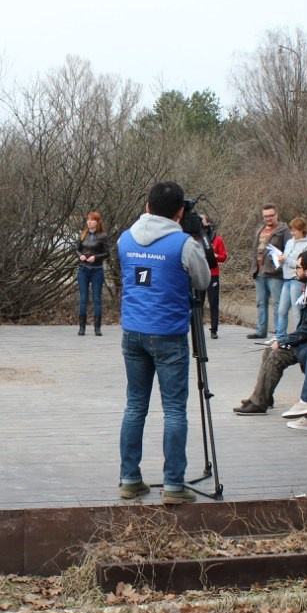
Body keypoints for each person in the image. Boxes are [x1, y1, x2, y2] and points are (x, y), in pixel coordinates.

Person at [116, 181, 210, 505]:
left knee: (134, 406)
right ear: (180, 212)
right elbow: (203, 281)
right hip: (169, 335)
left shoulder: (125, 239)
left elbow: (138, 274)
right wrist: (197, 239)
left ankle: (130, 479)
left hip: (132, 333)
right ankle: (173, 485)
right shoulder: (183, 243)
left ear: (147, 206)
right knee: (174, 410)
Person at [232, 251, 307, 416]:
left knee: (277, 355)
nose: (296, 270)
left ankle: (259, 402)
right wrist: (284, 340)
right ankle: (262, 396)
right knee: (269, 351)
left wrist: (283, 341)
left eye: (298, 267)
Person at [247, 204, 289, 339]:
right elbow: (255, 250)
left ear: (277, 214)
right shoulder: (260, 230)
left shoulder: (283, 230)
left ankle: (279, 332)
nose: (268, 218)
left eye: (271, 215)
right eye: (266, 216)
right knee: (261, 303)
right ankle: (261, 330)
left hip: (274, 273)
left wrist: (279, 266)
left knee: (277, 304)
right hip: (259, 272)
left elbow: (287, 251)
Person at [274, 217, 307, 339]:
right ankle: (280, 336)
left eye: (295, 230)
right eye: (291, 230)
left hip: (297, 280)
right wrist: (280, 260)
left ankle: (297, 336)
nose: (292, 233)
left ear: (302, 230)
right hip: (286, 279)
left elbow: (302, 265)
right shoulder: (289, 242)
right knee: (282, 310)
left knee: (297, 312)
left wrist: (287, 260)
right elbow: (285, 258)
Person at [76, 211, 109, 336]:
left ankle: (97, 328)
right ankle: (82, 327)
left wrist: (95, 257)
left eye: (92, 220)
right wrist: (80, 256)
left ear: (97, 222)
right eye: (88, 219)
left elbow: (107, 253)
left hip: (97, 270)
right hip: (83, 269)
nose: (89, 222)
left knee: (97, 299)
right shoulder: (83, 234)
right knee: (83, 298)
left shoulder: (103, 235)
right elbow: (77, 250)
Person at [200, 214, 228, 339]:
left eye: (203, 222)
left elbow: (224, 256)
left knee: (213, 303)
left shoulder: (217, 240)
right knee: (198, 303)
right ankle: (198, 327)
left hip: (213, 274)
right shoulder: (197, 239)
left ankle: (214, 329)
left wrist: (215, 256)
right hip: (200, 274)